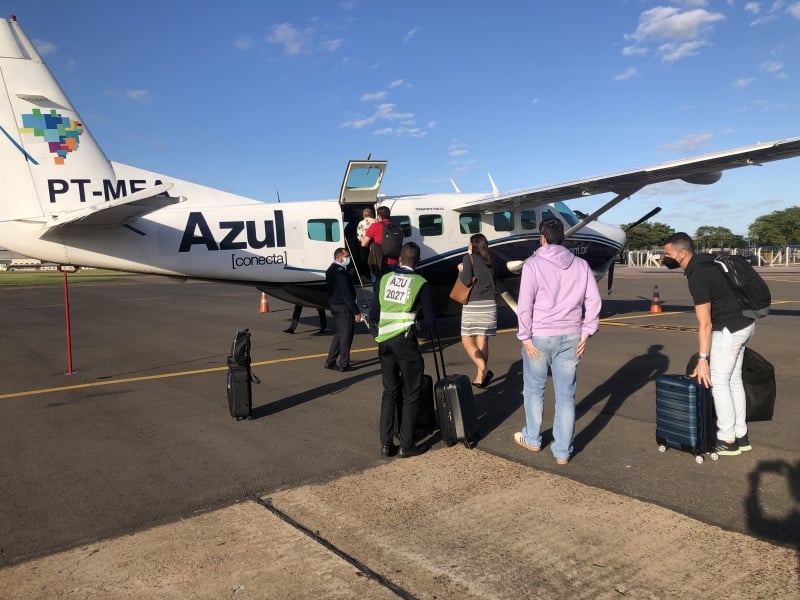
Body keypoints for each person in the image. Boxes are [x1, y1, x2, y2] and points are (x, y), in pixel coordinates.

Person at [514, 218, 601, 465]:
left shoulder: (532, 265)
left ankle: (533, 438)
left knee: (533, 389)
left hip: (540, 336)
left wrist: (525, 337)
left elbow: (525, 306)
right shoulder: (581, 265)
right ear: (563, 238)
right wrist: (587, 331)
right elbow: (594, 301)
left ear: (542, 238)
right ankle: (562, 450)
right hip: (571, 335)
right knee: (565, 395)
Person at [662, 232, 755, 456]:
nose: (663, 257)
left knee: (719, 382)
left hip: (728, 330)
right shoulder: (711, 263)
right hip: (745, 324)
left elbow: (705, 324)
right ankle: (741, 435)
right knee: (733, 380)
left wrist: (703, 359)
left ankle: (727, 438)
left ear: (682, 253)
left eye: (667, 253)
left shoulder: (698, 276)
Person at [373, 242, 436, 458]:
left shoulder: (385, 280)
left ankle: (385, 443)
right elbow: (431, 320)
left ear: (400, 258)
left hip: (384, 342)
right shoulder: (420, 283)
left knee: (389, 392)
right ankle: (406, 444)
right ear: (417, 261)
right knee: (411, 392)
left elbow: (374, 313)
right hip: (405, 343)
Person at [458, 233, 499, 388]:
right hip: (490, 304)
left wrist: (461, 270)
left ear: (472, 245)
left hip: (474, 304)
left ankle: (484, 369)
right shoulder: (492, 260)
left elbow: (467, 280)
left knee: (467, 339)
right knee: (483, 339)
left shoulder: (468, 259)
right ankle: (480, 377)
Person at [324, 248, 362, 372]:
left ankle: (330, 361)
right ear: (339, 257)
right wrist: (355, 311)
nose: (348, 258)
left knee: (340, 334)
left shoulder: (331, 269)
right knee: (346, 335)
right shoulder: (340, 272)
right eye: (346, 256)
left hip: (334, 304)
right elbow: (346, 294)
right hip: (342, 306)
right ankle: (344, 363)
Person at [361, 206, 399, 297]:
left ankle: (378, 309)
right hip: (394, 262)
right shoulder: (395, 226)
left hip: (379, 262)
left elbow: (364, 244)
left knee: (378, 290)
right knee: (391, 289)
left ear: (378, 216)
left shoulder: (375, 226)